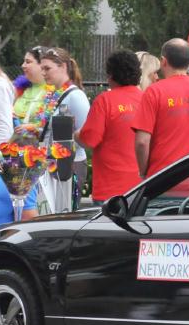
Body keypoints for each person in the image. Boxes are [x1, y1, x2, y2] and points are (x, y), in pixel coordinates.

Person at [132, 38, 189, 193]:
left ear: (163, 61)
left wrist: (144, 173)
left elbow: (142, 142)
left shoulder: (154, 92)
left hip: (163, 182)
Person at [77, 50, 144, 201]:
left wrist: (77, 134)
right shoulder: (147, 99)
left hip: (110, 188)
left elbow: (90, 139)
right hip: (142, 186)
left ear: (111, 75)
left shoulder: (105, 101)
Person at [36, 47, 90, 211]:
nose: (43, 73)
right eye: (42, 69)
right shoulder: (55, 94)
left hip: (68, 166)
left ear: (63, 67)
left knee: (63, 214)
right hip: (52, 165)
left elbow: (85, 135)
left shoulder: (75, 96)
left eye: (47, 68)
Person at [13, 46, 48, 127]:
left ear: (42, 65)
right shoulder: (20, 87)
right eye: (23, 62)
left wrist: (32, 127)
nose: (23, 65)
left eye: (28, 62)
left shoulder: (56, 90)